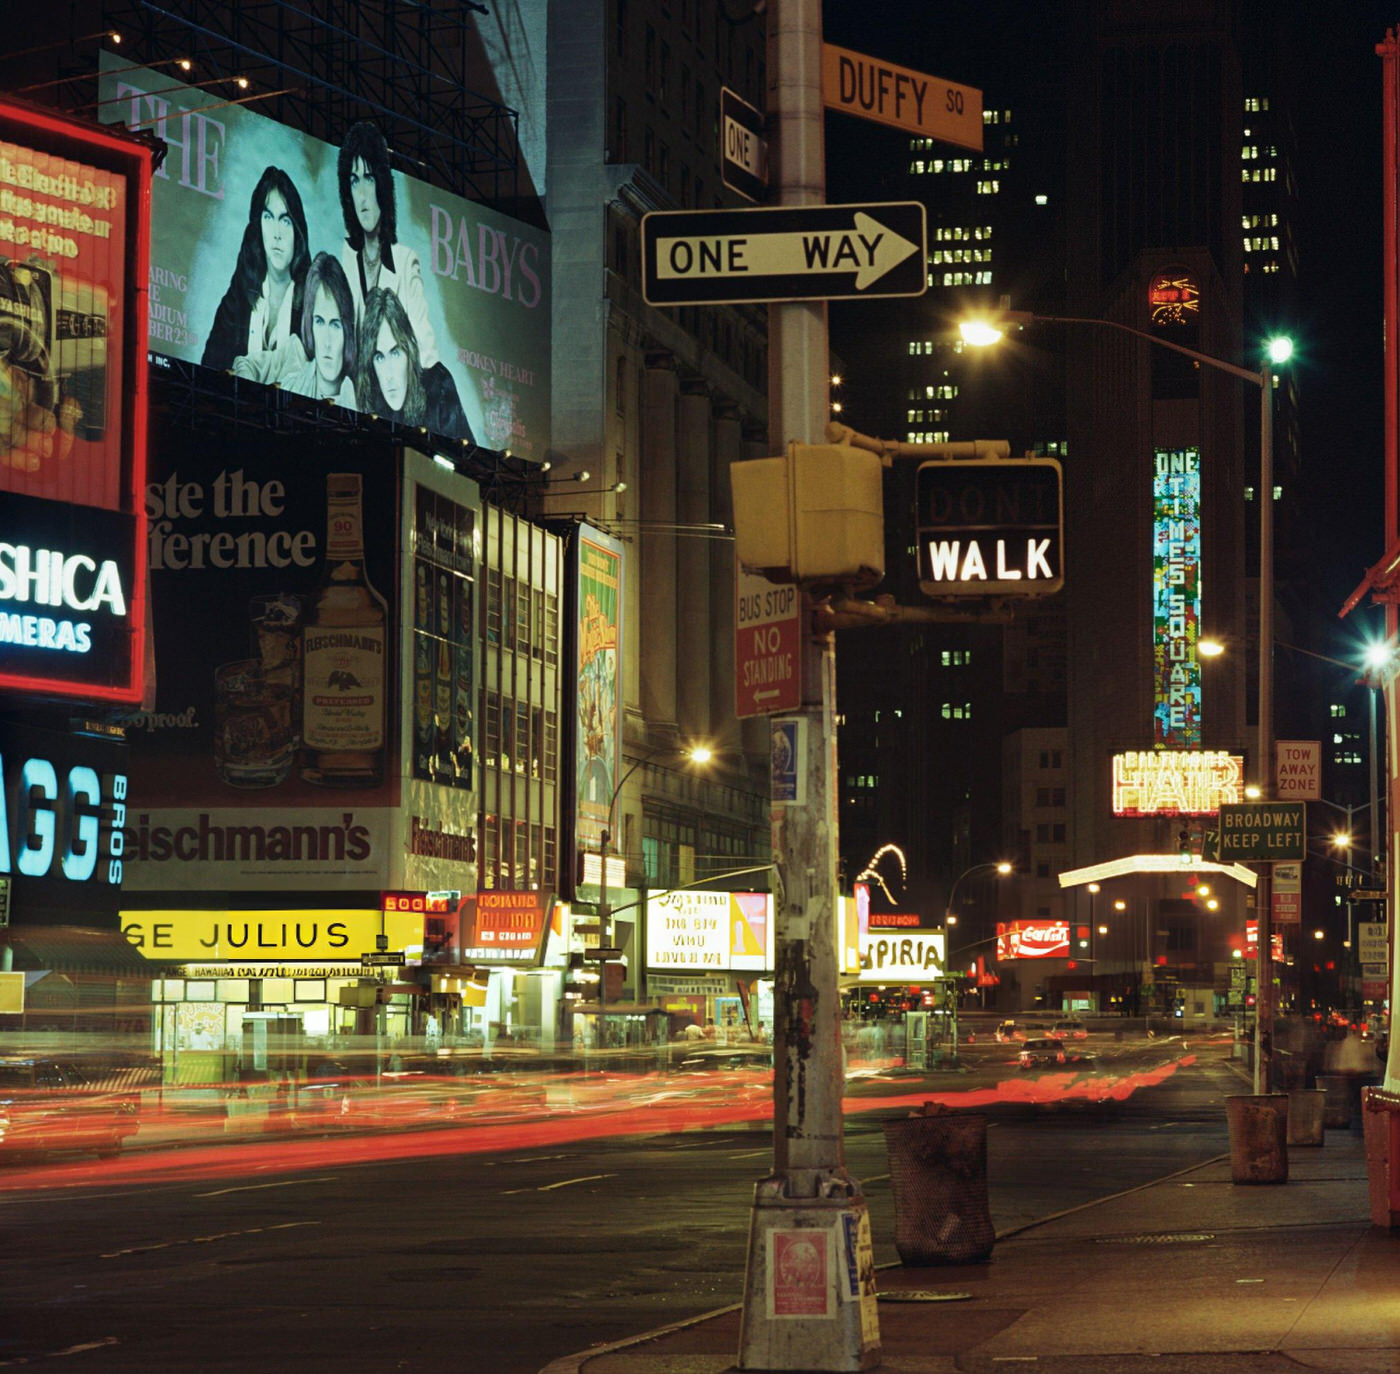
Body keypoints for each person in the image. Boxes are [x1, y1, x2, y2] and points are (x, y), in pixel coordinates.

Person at [337, 120, 439, 369]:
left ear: (382, 184)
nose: (362, 195)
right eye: (354, 181)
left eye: (369, 178)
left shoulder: (405, 262)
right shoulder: (346, 257)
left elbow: (426, 352)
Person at [202, 167, 311, 374]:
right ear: (258, 225)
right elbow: (208, 371)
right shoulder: (237, 299)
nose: (277, 233)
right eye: (268, 217)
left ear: (297, 231)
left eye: (285, 220)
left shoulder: (313, 304)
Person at [235, 252, 358, 406]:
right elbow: (244, 364)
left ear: (347, 331)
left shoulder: (358, 400)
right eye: (319, 322)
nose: (327, 342)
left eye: (335, 325)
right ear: (310, 325)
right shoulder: (292, 375)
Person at [357, 287, 471, 439]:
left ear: (410, 351)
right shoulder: (369, 398)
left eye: (395, 353)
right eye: (379, 358)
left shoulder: (439, 387)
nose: (389, 375)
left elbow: (465, 450)